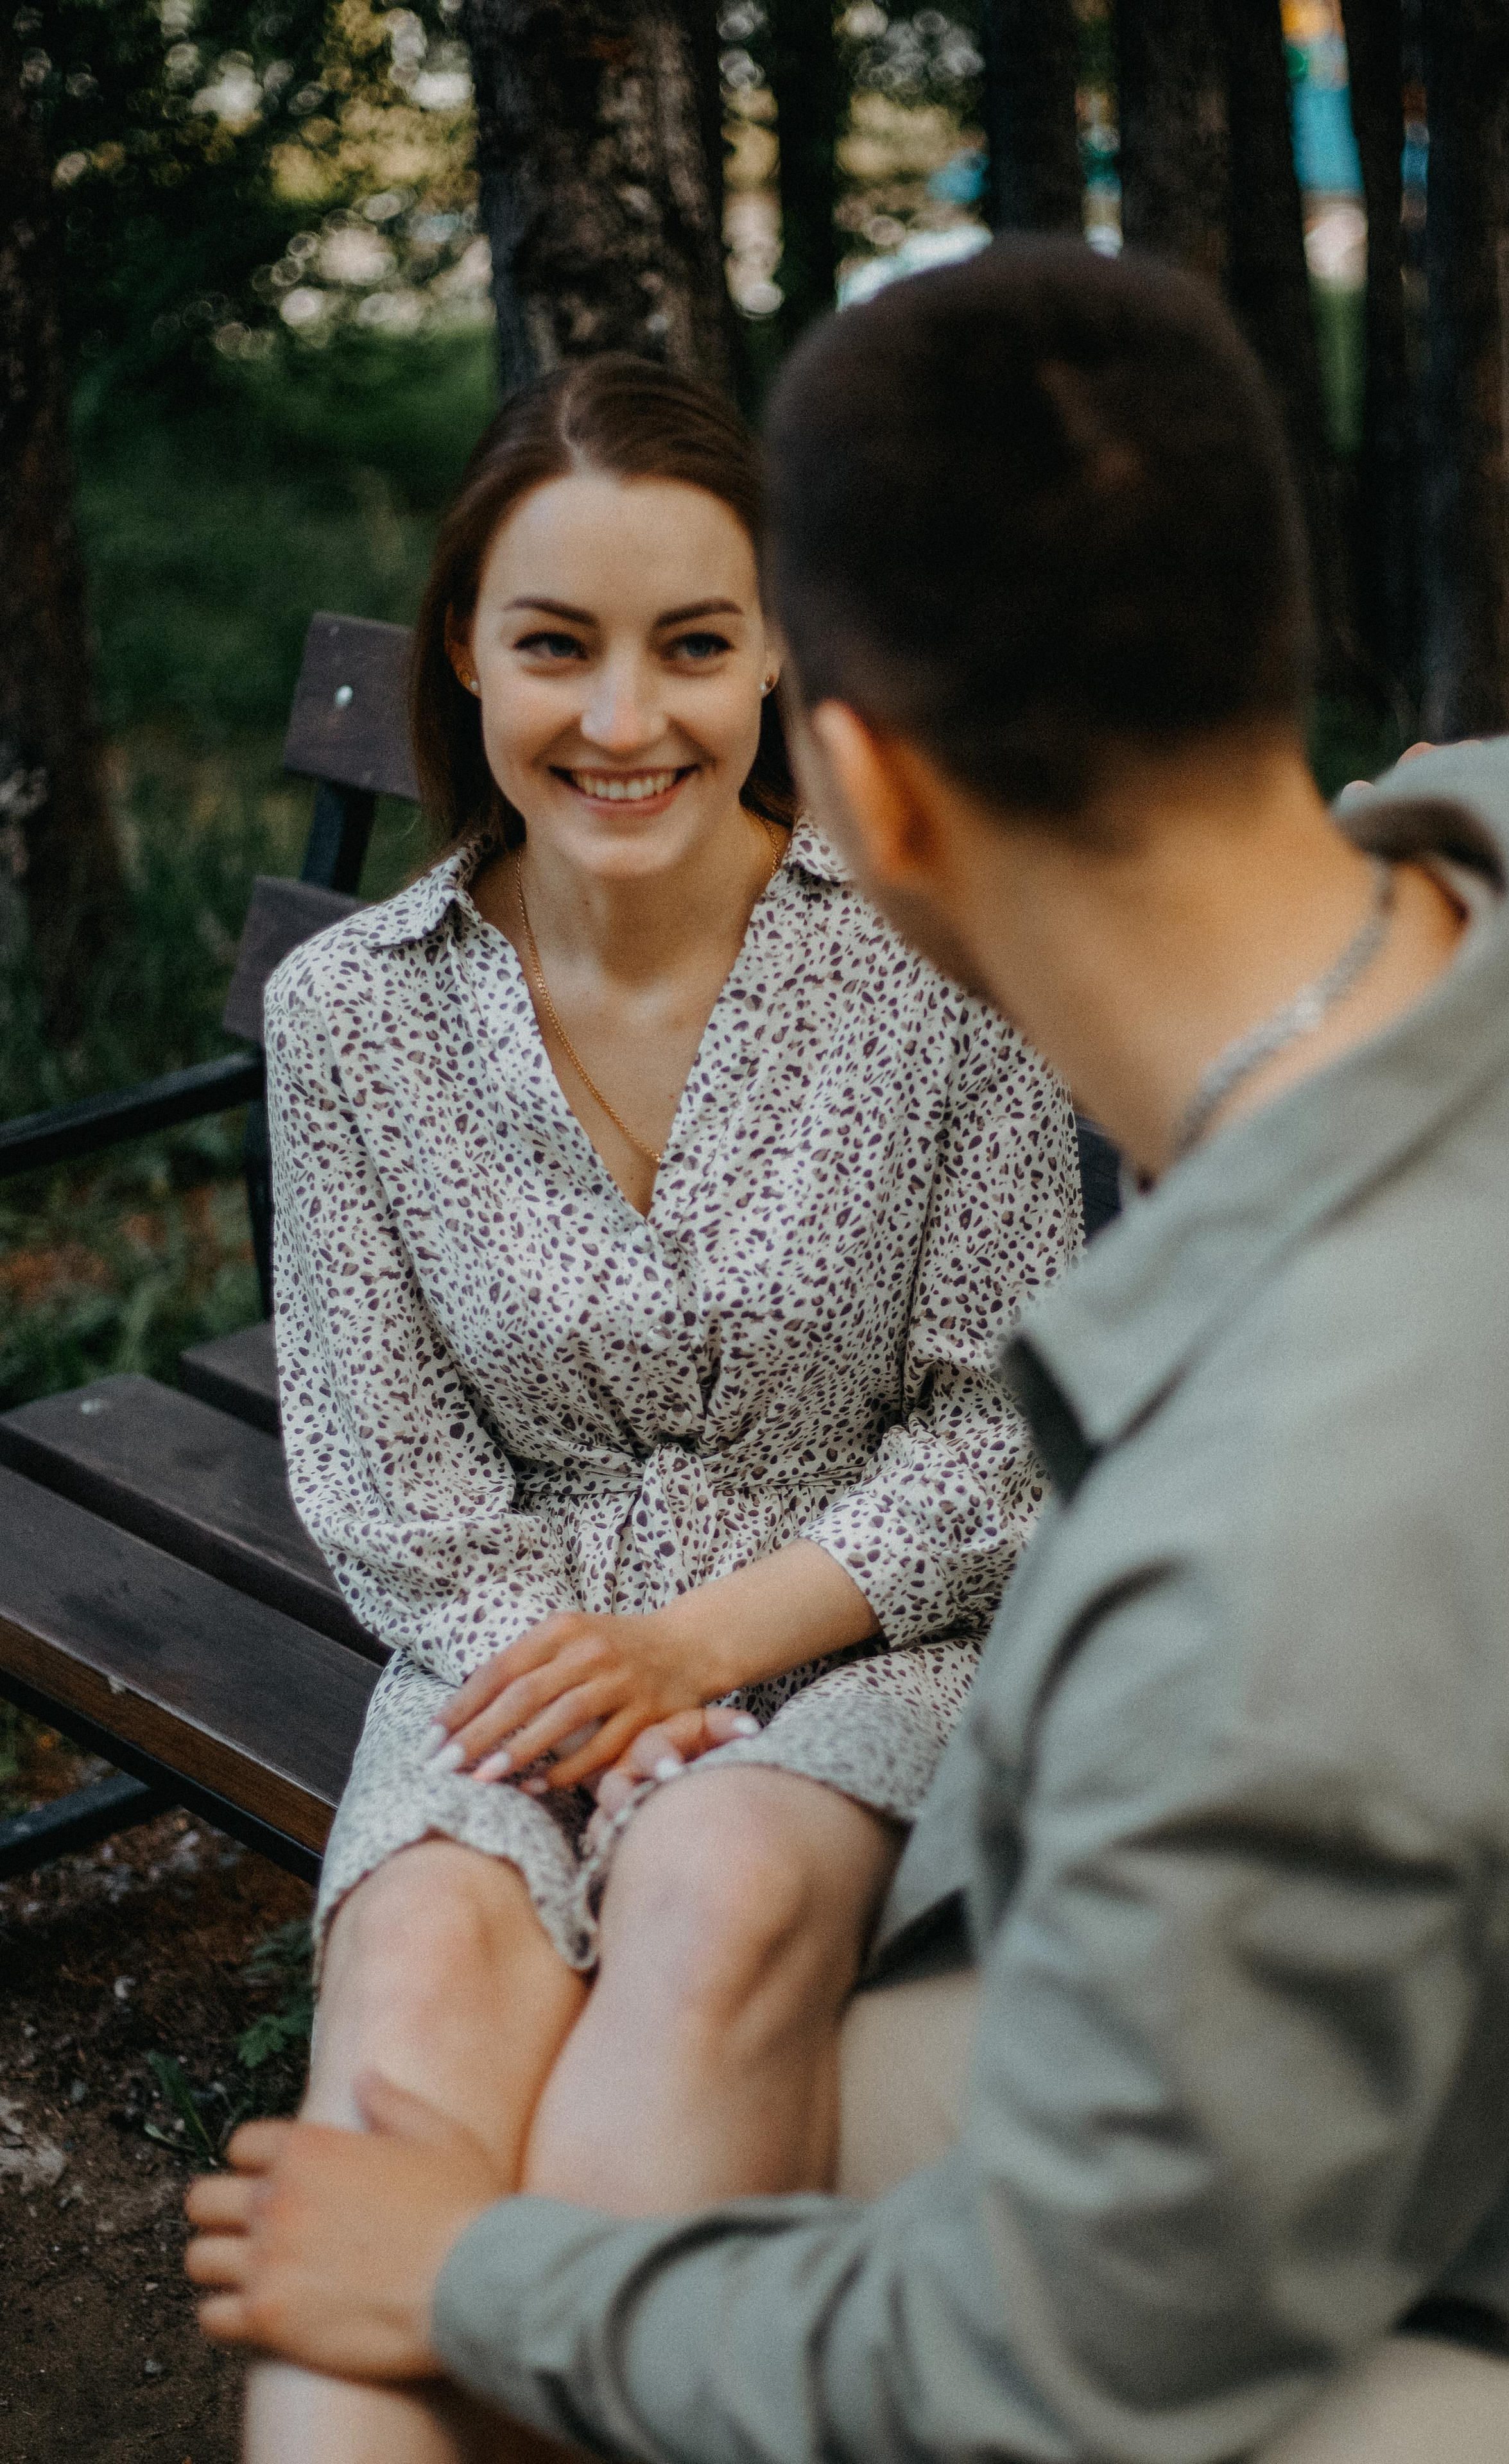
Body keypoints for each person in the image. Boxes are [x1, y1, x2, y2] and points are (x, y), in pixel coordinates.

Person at [187, 243, 1509, 2461]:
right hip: (1448, 1956)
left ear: (848, 769)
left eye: (701, 648)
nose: (625, 717)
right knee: (469, 2015)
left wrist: (477, 2278)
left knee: (693, 1989)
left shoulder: (1240, 1594)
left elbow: (1063, 2352)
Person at [236, 350, 1081, 2460]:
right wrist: (585, 1691)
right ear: (466, 653)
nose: (626, 723)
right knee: (417, 1988)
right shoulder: (350, 1018)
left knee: (710, 1897)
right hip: (499, 1647)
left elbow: (1007, 1432)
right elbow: (389, 1477)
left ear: (776, 645)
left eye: (694, 648)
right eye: (558, 648)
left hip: (869, 1638)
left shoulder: (934, 961)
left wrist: (697, 1659)